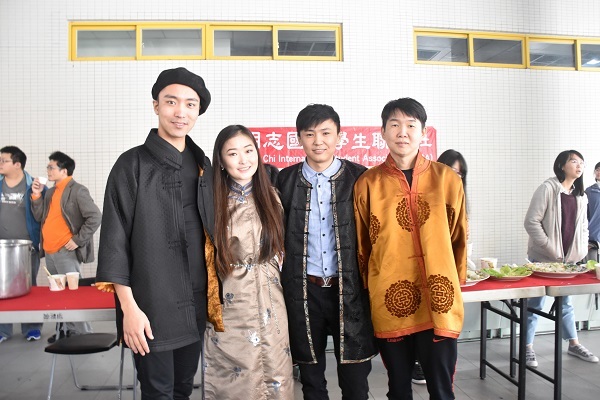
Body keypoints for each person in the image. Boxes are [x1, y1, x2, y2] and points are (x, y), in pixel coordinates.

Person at [95, 67, 223, 399]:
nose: (181, 112)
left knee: (183, 387)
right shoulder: (131, 165)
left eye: (190, 104)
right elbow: (114, 241)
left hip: (195, 303)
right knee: (157, 390)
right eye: (171, 102)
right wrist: (129, 309)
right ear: (156, 106)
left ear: (198, 111)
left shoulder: (203, 166)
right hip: (150, 306)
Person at [353, 98, 467, 400]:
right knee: (398, 388)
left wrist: (456, 281)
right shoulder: (368, 183)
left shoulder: (447, 179)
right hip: (390, 300)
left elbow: (459, 237)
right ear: (383, 132)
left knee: (442, 390)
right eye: (394, 125)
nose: (402, 132)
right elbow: (362, 246)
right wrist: (369, 289)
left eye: (410, 125)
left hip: (438, 299)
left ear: (424, 132)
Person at [276, 104, 377, 400]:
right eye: (310, 134)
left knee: (356, 381)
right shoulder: (284, 180)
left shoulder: (361, 178)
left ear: (339, 136)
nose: (318, 141)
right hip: (304, 291)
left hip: (350, 290)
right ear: (299, 138)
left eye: (325, 133)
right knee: (311, 379)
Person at [203, 125, 293, 399]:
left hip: (271, 297)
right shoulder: (211, 200)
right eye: (233, 153)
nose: (243, 160)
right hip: (231, 298)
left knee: (276, 370)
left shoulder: (272, 194)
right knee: (234, 376)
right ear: (221, 160)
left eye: (248, 150)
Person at [524, 150, 598, 367]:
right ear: (561, 165)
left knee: (566, 302)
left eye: (582, 162)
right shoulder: (547, 189)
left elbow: (584, 227)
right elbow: (531, 222)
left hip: (568, 262)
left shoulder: (580, 196)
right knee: (536, 302)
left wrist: (580, 251)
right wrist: (549, 248)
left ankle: (573, 343)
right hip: (542, 259)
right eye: (574, 161)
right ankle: (527, 347)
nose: (579, 165)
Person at [410, 148, 470, 385]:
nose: (456, 176)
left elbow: (459, 242)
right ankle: (418, 363)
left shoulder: (457, 194)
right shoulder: (426, 195)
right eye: (452, 170)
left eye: (460, 172)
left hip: (444, 277)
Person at [30, 151, 102, 340]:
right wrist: (36, 196)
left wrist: (77, 240)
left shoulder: (77, 190)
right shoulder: (51, 191)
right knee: (59, 296)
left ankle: (85, 334)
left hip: (66, 251)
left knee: (73, 295)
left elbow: (95, 216)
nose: (48, 170)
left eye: (51, 167)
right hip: (51, 251)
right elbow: (40, 217)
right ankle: (65, 331)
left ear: (64, 170)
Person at [0, 146, 45, 343]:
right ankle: (3, 330)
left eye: (4, 160)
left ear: (17, 164)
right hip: (1, 248)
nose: (0, 164)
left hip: (27, 247)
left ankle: (32, 328)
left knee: (30, 287)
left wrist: (37, 196)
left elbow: (41, 215)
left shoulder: (33, 185)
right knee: (1, 289)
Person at [586, 162, 600, 261]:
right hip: (593, 238)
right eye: (597, 169)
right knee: (593, 269)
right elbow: (584, 215)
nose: (599, 172)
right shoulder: (589, 191)